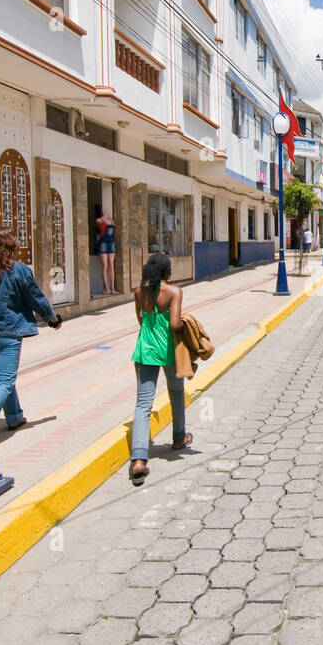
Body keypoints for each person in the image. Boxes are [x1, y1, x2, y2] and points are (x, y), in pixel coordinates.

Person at [0, 227, 61, 434]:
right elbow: (36, 298)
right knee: (5, 381)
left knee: (3, 375)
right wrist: (52, 319)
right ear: (9, 245)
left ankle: (14, 416)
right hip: (8, 333)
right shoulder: (18, 270)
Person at [130, 252, 192, 484]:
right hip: (168, 352)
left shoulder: (139, 292)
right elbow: (175, 324)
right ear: (167, 271)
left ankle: (138, 459)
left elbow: (141, 320)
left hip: (145, 351)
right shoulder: (175, 292)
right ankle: (178, 437)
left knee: (143, 403)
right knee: (176, 393)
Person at [95, 207, 117, 295]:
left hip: (111, 243)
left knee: (111, 264)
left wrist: (108, 218)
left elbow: (114, 222)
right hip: (103, 243)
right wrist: (104, 218)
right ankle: (106, 287)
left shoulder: (111, 220)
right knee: (105, 265)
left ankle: (112, 287)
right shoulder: (101, 220)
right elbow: (97, 220)